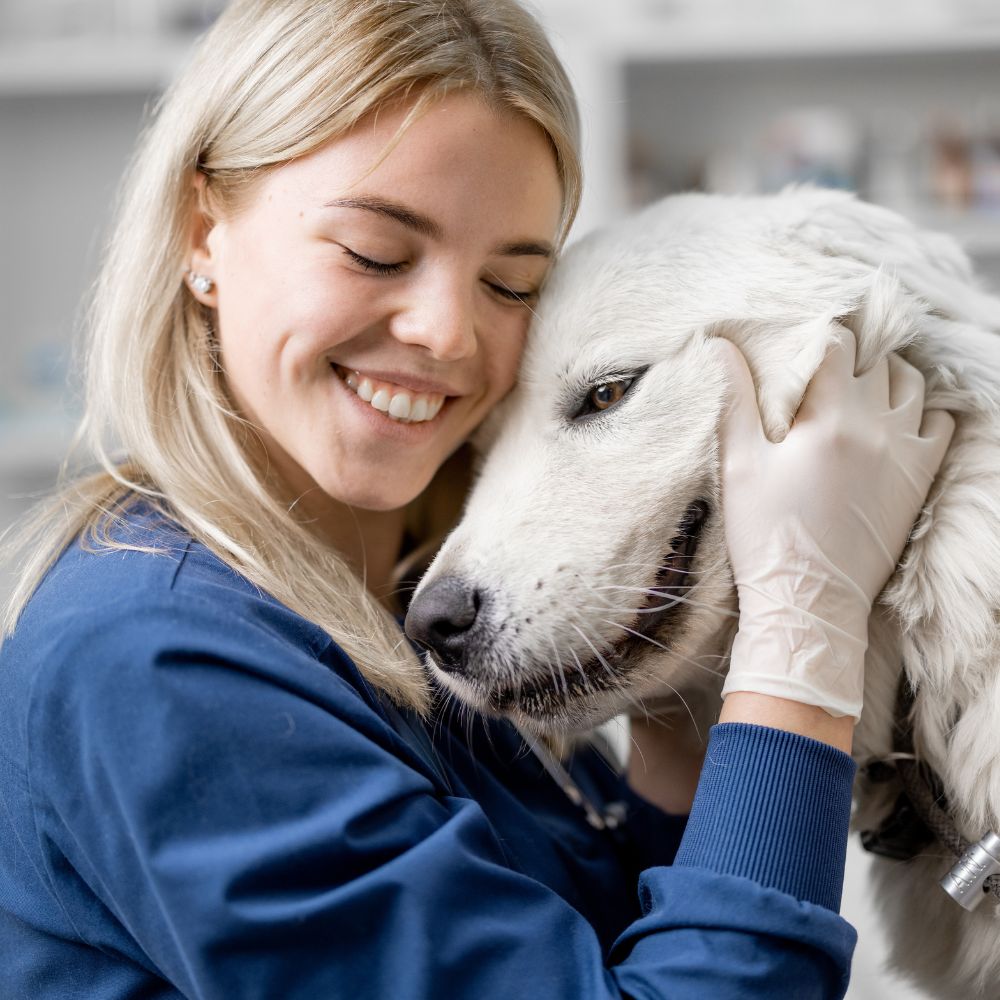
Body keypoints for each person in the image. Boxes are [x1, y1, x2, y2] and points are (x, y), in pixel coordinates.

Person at [0, 1, 954, 998]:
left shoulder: (400, 593)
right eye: (376, 251)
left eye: (509, 284)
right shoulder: (153, 662)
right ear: (203, 235)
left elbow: (599, 939)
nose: (449, 332)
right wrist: (806, 626)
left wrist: (669, 698)